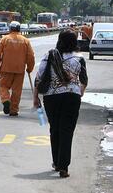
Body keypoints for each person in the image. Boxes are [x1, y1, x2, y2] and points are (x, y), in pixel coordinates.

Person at [33, 30, 87, 178]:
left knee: (55, 128)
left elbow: (39, 77)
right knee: (67, 130)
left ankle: (56, 162)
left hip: (52, 97)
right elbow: (84, 79)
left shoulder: (49, 55)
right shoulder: (80, 58)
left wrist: (35, 97)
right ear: (75, 42)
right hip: (72, 98)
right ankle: (63, 166)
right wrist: (79, 91)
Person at [0, 21, 35, 116]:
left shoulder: (5, 39)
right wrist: (30, 68)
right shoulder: (25, 41)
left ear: (10, 29)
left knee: (3, 86)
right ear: (19, 29)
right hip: (20, 69)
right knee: (17, 90)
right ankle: (14, 110)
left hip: (6, 68)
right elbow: (31, 56)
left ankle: (6, 100)